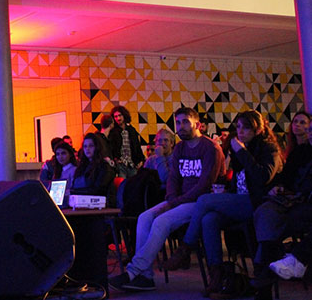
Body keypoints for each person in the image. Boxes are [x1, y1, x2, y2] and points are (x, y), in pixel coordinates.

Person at [163, 110, 282, 298]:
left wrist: (241, 152)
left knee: (204, 200)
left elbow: (262, 177)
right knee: (209, 219)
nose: (240, 131)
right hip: (239, 201)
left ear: (258, 130)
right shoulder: (240, 148)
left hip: (258, 203)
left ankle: (186, 247)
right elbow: (236, 180)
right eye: (238, 127)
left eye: (246, 128)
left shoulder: (269, 149)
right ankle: (216, 277)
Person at [109, 107, 225, 292]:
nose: (181, 126)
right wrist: (171, 199)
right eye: (178, 122)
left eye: (185, 122)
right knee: (144, 217)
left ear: (197, 125)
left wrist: (176, 202)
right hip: (180, 200)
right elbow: (173, 178)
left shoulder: (211, 148)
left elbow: (205, 184)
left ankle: (133, 272)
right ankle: (146, 277)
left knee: (161, 221)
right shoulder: (180, 148)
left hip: (201, 202)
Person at [250, 120, 312, 300]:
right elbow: (286, 177)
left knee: (281, 222)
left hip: (306, 205)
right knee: (266, 213)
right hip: (294, 199)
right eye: (310, 130)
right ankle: (265, 273)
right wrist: (279, 187)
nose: (310, 134)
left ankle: (271, 273)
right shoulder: (301, 151)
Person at [70, 133, 115, 197]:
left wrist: (73, 191)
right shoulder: (82, 166)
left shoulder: (104, 166)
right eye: (85, 146)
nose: (87, 149)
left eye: (91, 146)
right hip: (80, 199)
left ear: (97, 147)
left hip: (97, 200)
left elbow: (98, 190)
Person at [110, 105, 144, 178]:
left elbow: (137, 146)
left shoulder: (131, 130)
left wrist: (141, 160)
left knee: (134, 183)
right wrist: (115, 159)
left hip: (132, 164)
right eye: (115, 116)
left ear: (124, 115)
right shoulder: (113, 132)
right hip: (120, 164)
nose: (118, 118)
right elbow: (111, 147)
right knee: (122, 183)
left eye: (120, 115)